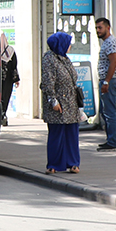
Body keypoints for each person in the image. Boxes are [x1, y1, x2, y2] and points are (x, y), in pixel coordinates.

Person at [40, 31, 82, 174]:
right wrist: (53, 101)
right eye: (68, 43)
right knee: (57, 134)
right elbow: (47, 82)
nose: (69, 46)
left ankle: (73, 163)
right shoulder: (49, 59)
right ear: (60, 44)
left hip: (71, 102)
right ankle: (54, 164)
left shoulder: (64, 58)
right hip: (58, 101)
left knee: (72, 133)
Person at [94, 16, 116, 150]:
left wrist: (106, 81)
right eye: (96, 28)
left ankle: (113, 142)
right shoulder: (106, 42)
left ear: (108, 27)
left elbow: (113, 62)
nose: (98, 30)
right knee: (106, 112)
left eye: (100, 27)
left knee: (109, 112)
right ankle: (111, 140)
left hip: (110, 81)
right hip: (108, 81)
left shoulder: (111, 42)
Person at [0, 32, 19, 119]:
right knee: (6, 95)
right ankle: (3, 114)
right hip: (7, 79)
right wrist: (16, 79)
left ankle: (0, 114)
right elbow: (14, 66)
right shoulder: (10, 51)